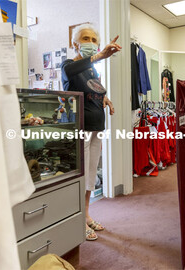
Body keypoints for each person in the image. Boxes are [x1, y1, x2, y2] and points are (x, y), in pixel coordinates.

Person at [61, 23, 121, 241]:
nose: (91, 43)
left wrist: (105, 99)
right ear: (75, 43)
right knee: (80, 174)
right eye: (86, 39)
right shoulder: (68, 65)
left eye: (94, 40)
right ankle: (76, 219)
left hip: (97, 126)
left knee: (91, 174)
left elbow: (93, 91)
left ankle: (86, 215)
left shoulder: (92, 70)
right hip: (80, 127)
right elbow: (70, 73)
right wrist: (100, 55)